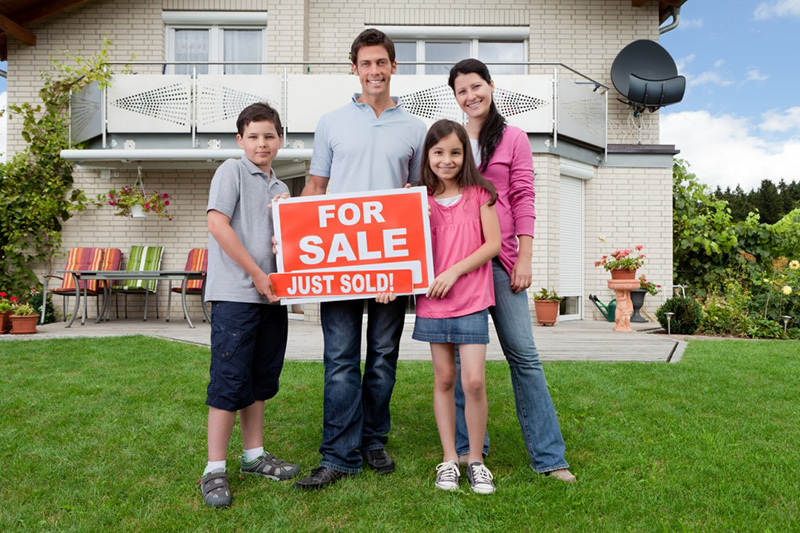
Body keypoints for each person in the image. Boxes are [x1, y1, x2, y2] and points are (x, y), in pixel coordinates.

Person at [293, 28, 427, 490]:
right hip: (339, 261)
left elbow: (416, 196)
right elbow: (315, 190)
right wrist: (290, 242)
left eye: (381, 63)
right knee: (341, 358)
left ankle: (372, 439)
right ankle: (338, 453)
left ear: (394, 67)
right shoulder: (331, 122)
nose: (374, 71)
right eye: (366, 63)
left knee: (384, 355)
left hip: (391, 262)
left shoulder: (415, 128)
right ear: (354, 68)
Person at [448, 58, 576, 483]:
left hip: (502, 264)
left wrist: (525, 257)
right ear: (455, 98)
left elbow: (523, 198)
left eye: (476, 86)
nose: (471, 96)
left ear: (491, 86)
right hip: (462, 267)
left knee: (524, 357)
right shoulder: (451, 142)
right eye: (462, 90)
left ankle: (550, 457)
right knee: (468, 366)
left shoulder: (515, 138)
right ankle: (470, 451)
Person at [200, 102, 300, 508]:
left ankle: (254, 456)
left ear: (280, 140)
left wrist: (284, 250)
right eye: (254, 136)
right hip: (236, 296)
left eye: (270, 136)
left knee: (260, 380)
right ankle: (214, 469)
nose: (262, 143)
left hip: (271, 298)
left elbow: (289, 243)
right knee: (228, 381)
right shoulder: (231, 171)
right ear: (240, 140)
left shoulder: (282, 190)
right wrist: (257, 273)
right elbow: (217, 223)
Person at [411, 119, 501, 494]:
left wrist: (454, 271)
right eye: (438, 152)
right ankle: (449, 459)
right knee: (444, 378)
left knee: (474, 381)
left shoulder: (480, 194)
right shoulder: (418, 200)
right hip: (433, 303)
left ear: (465, 155)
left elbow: (492, 244)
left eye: (454, 152)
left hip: (472, 300)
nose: (446, 160)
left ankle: (475, 460)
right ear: (427, 156)